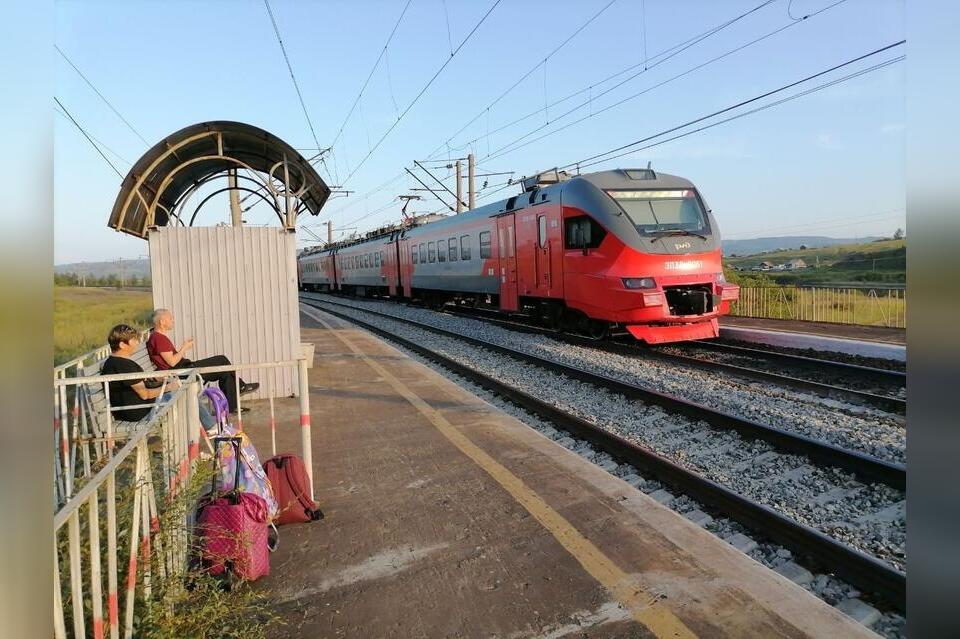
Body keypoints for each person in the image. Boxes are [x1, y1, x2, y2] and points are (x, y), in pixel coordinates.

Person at [146, 308, 258, 415]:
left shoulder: (157, 337)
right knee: (222, 360)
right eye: (171, 318)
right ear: (162, 321)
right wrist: (184, 347)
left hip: (184, 369)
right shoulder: (159, 338)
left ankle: (232, 405)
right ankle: (240, 388)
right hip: (183, 373)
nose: (173, 321)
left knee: (225, 371)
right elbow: (172, 362)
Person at [100, 324, 215, 428]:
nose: (137, 343)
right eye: (133, 340)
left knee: (182, 391)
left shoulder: (113, 362)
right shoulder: (124, 365)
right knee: (185, 393)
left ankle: (206, 427)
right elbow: (145, 394)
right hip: (139, 412)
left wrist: (156, 378)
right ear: (122, 345)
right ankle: (210, 427)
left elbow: (135, 384)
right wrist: (169, 388)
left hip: (131, 410)